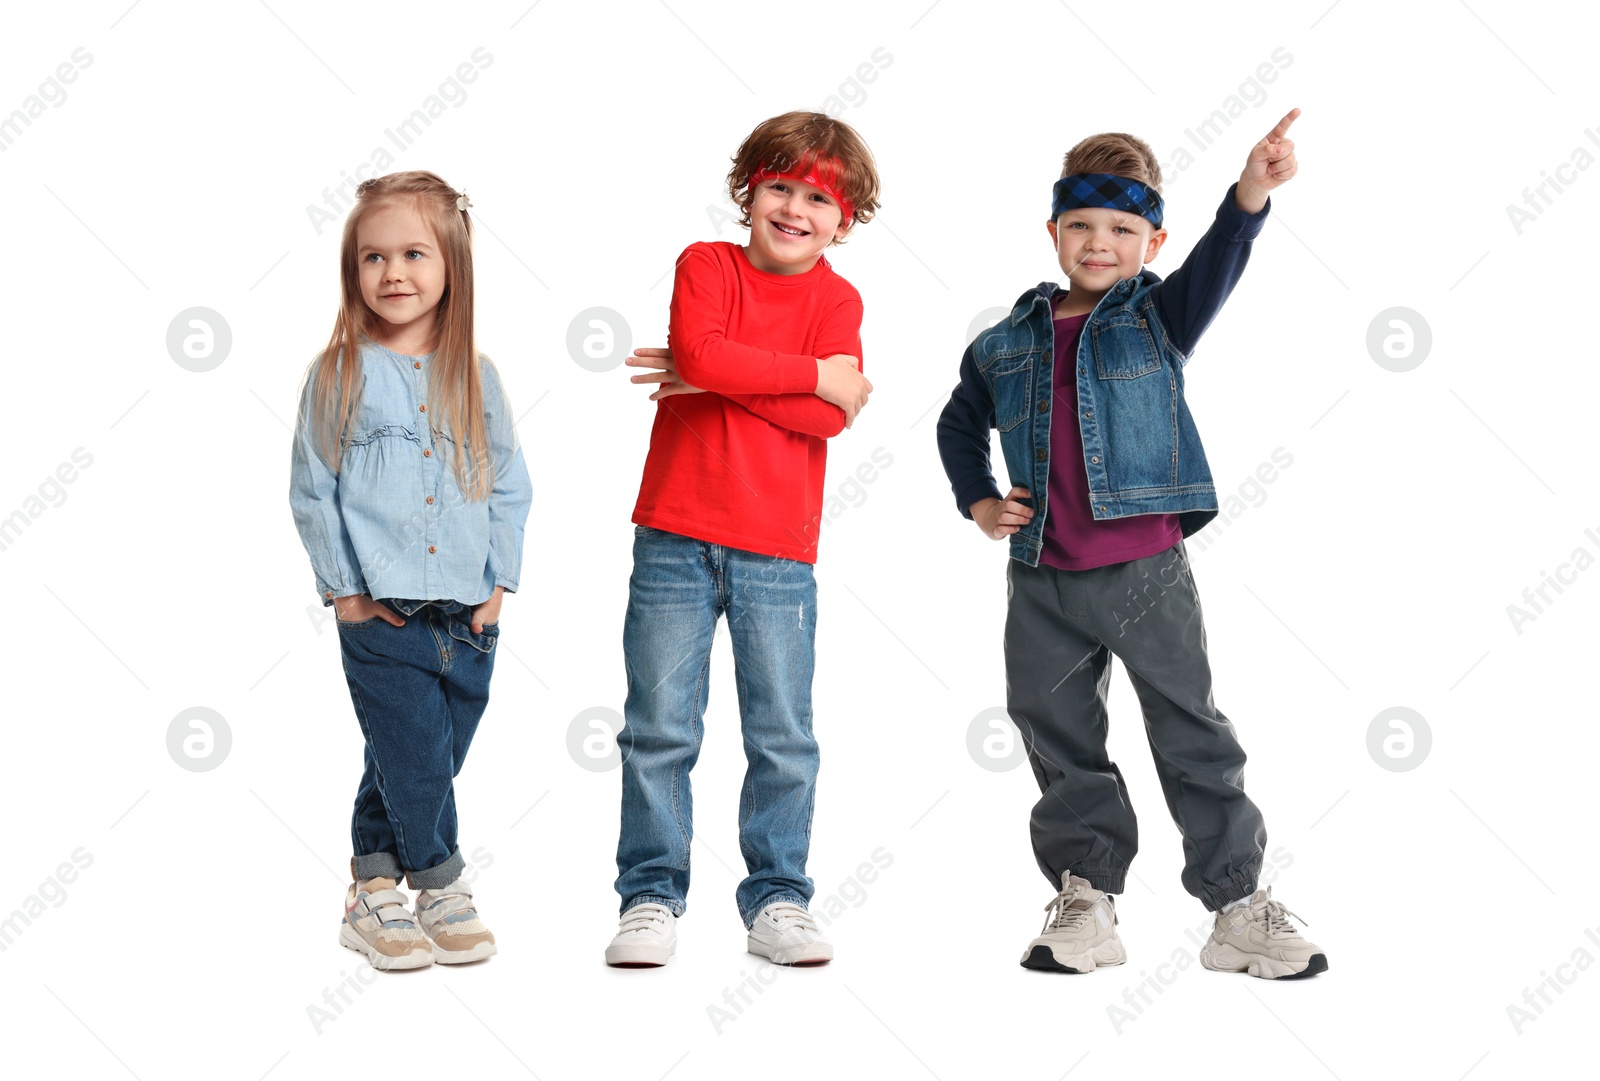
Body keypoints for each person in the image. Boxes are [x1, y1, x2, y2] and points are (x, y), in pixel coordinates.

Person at [936, 110, 1328, 979]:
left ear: (1153, 238)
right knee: (1055, 731)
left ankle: (1236, 904)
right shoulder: (1003, 344)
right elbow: (957, 425)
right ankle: (1087, 895)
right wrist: (979, 500)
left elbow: (1223, 259)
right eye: (1081, 225)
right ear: (1053, 232)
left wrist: (1252, 191)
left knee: (1189, 729)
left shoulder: (1158, 318)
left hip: (1146, 571)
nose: (1099, 242)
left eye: (1121, 228)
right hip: (1040, 577)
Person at [604, 110, 880, 968]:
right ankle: (650, 894)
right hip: (675, 536)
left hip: (778, 551)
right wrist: (807, 375)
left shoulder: (838, 298)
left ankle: (779, 897)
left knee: (782, 733)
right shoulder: (706, 263)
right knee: (658, 728)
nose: (795, 208)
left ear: (845, 219)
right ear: (748, 191)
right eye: (780, 187)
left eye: (818, 198)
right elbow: (708, 351)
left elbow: (828, 422)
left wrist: (718, 373)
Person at [289, 170, 532, 970]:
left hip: (468, 610)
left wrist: (498, 584)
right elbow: (313, 490)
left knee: (414, 754)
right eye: (373, 257)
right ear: (353, 271)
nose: (392, 272)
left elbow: (508, 484)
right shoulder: (338, 373)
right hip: (380, 609)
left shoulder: (477, 374)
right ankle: (442, 884)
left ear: (451, 264)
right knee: (417, 753)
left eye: (413, 254)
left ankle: (371, 886)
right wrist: (346, 592)